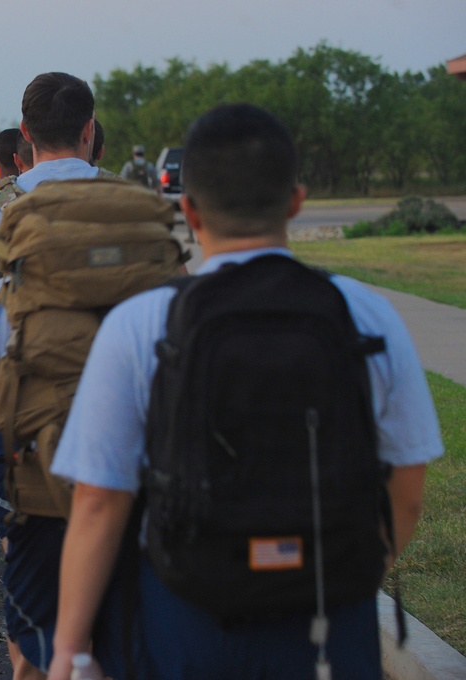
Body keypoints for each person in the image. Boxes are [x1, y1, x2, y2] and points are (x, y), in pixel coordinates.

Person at [46, 103, 444, 680]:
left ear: (189, 211)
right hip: (329, 621)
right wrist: (344, 574)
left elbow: (98, 501)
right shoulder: (366, 314)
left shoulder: (140, 323)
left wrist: (70, 649)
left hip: (183, 618)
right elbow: (406, 490)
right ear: (296, 202)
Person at [0, 72, 121, 680]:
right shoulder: (137, 214)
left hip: (31, 466)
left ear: (24, 133)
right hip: (126, 471)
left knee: (34, 638)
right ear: (89, 130)